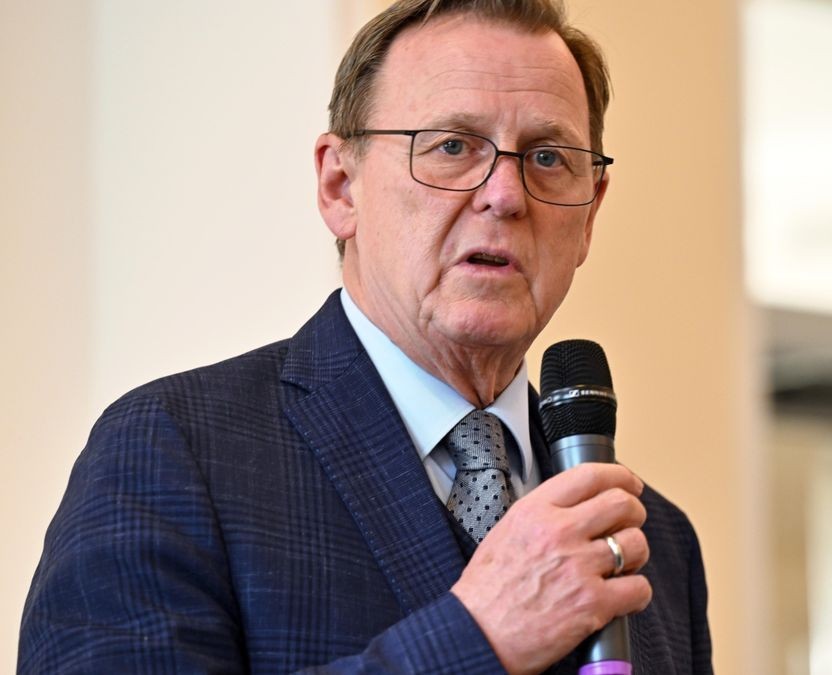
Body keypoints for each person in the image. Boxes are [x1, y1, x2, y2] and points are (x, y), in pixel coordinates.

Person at [18, 1, 712, 673]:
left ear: (590, 215)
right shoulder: (172, 452)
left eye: (549, 157)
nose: (505, 194)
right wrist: (475, 639)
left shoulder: (657, 540)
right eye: (451, 146)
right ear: (340, 186)